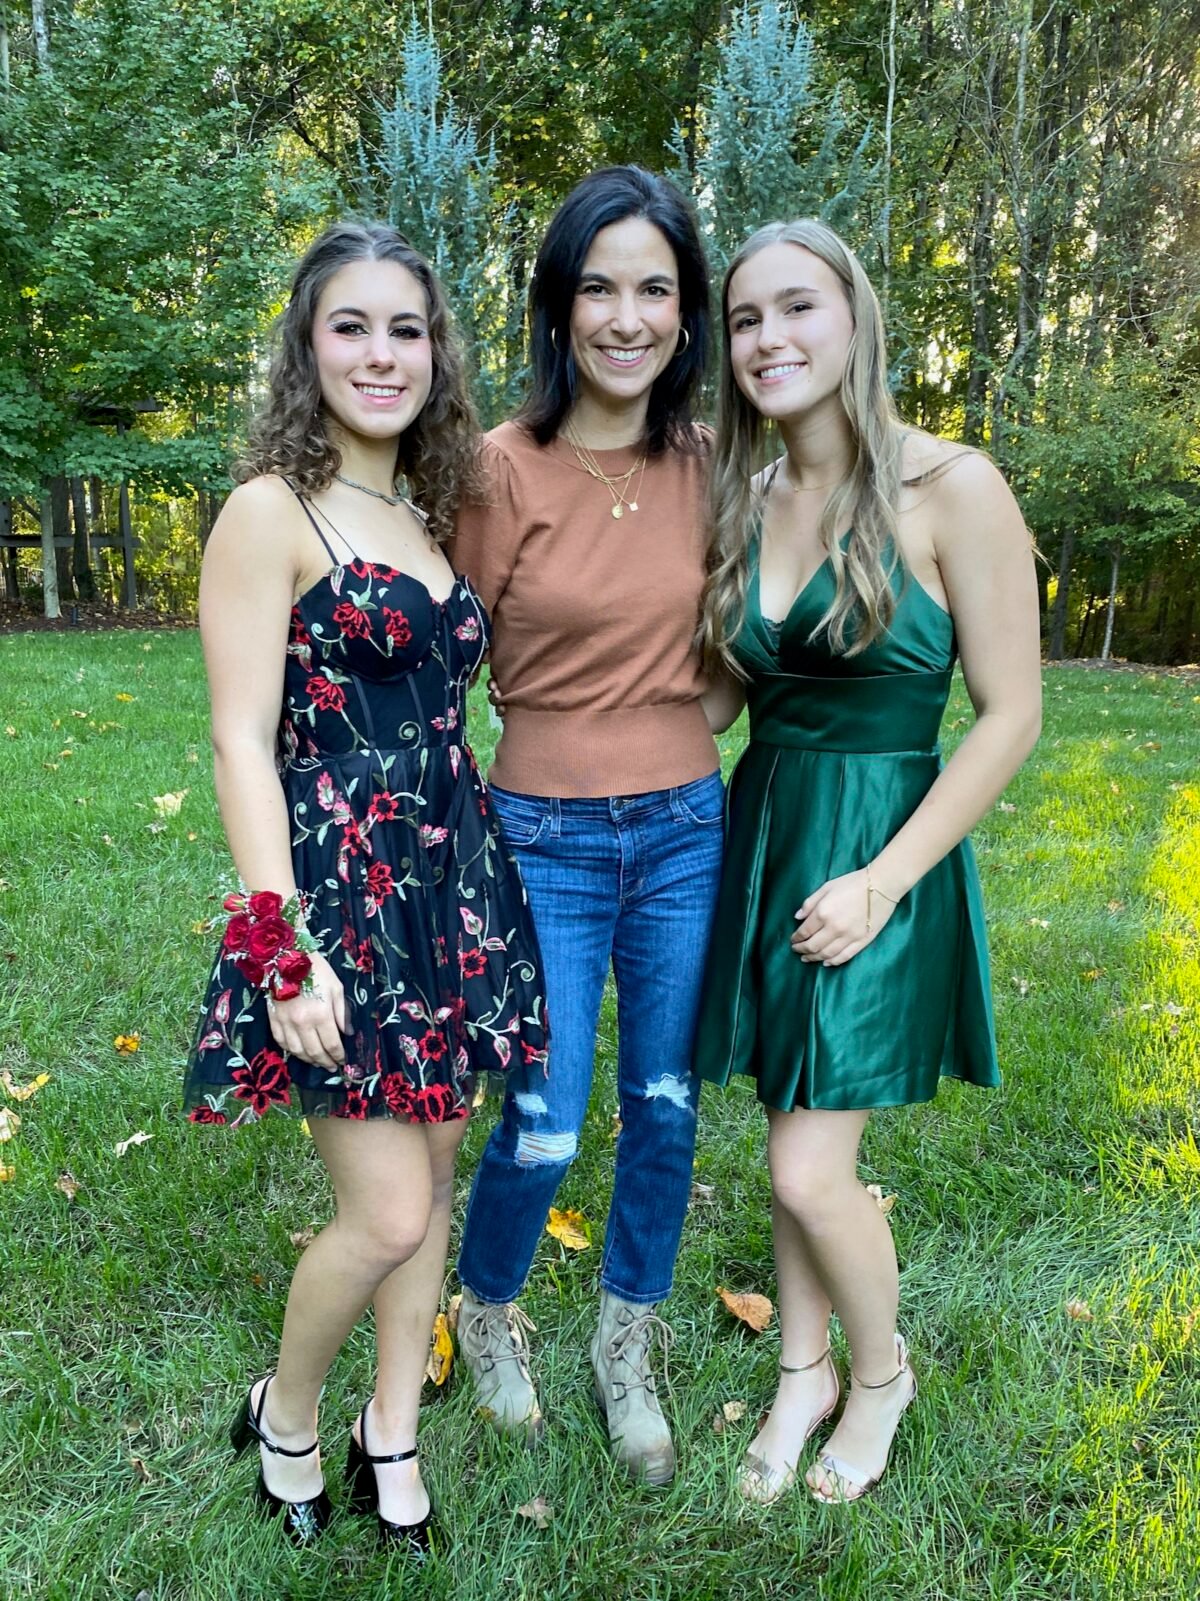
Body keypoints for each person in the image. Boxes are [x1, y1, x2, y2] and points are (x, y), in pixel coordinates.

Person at [183, 220, 548, 1548]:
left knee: (438, 1173)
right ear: (307, 344)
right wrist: (281, 951)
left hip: (449, 882)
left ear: (435, 349)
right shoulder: (269, 511)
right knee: (385, 1207)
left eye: (407, 327)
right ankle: (287, 1409)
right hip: (334, 896)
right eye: (352, 325)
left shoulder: (431, 510)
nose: (381, 351)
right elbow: (236, 739)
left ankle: (389, 1423)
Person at [695, 219, 1041, 1506]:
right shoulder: (747, 495)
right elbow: (730, 694)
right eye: (745, 320)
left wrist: (885, 880)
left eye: (797, 308)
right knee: (788, 1118)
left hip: (881, 847)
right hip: (770, 828)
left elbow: (1009, 715)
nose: (770, 339)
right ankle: (801, 1367)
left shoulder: (952, 485)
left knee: (807, 1164)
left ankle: (879, 1371)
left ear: (856, 320)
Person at [448, 167, 721, 1486]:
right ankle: (486, 1303)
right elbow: (450, 659)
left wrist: (680, 713)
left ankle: (628, 1337)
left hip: (684, 829)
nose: (625, 315)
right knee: (546, 1120)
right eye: (597, 286)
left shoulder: (713, 466)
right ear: (559, 307)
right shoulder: (499, 469)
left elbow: (733, 649)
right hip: (540, 834)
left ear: (687, 311)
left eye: (653, 288)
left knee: (665, 1105)